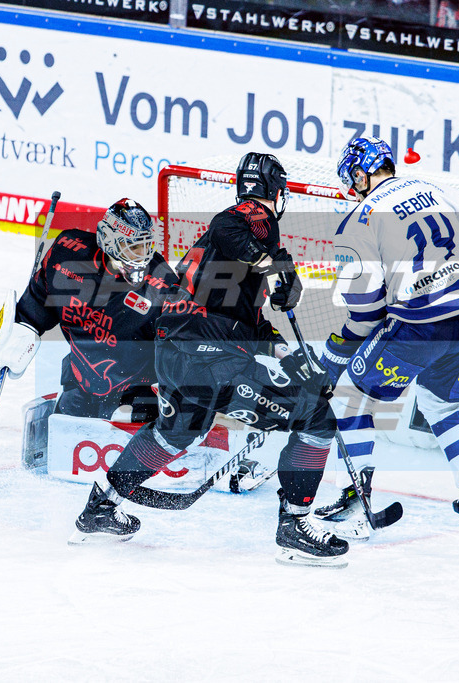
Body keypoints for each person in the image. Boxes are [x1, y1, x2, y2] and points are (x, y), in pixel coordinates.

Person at [68, 153, 350, 568]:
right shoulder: (256, 217)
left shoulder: (234, 257)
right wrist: (273, 263)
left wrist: (294, 360)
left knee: (175, 433)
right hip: (208, 356)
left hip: (176, 350)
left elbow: (245, 325)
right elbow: (227, 223)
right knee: (316, 419)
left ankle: (101, 508)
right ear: (277, 190)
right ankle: (295, 525)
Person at [314, 136, 459, 539]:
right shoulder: (437, 189)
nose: (353, 187)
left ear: (363, 174)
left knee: (350, 395)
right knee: (442, 404)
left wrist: (335, 355)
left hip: (420, 328)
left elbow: (365, 314)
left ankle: (355, 500)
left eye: (353, 179)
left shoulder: (358, 221)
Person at [0, 198, 178, 451]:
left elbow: (179, 349)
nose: (141, 256)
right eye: (132, 247)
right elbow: (36, 305)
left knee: (123, 433)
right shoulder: (67, 254)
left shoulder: (162, 285)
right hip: (81, 379)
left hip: (136, 389)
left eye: (145, 247)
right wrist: (20, 329)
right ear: (109, 241)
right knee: (63, 439)